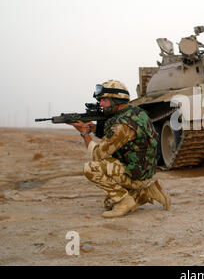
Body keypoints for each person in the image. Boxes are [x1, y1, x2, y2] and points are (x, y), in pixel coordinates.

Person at [68, 80, 170, 218]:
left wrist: (84, 133)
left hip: (135, 175)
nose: (101, 104)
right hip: (141, 171)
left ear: (116, 99)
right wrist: (94, 128)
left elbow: (98, 154)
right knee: (109, 203)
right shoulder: (134, 112)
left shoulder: (123, 125)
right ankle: (145, 192)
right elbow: (117, 136)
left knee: (91, 168)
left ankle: (124, 202)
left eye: (104, 100)